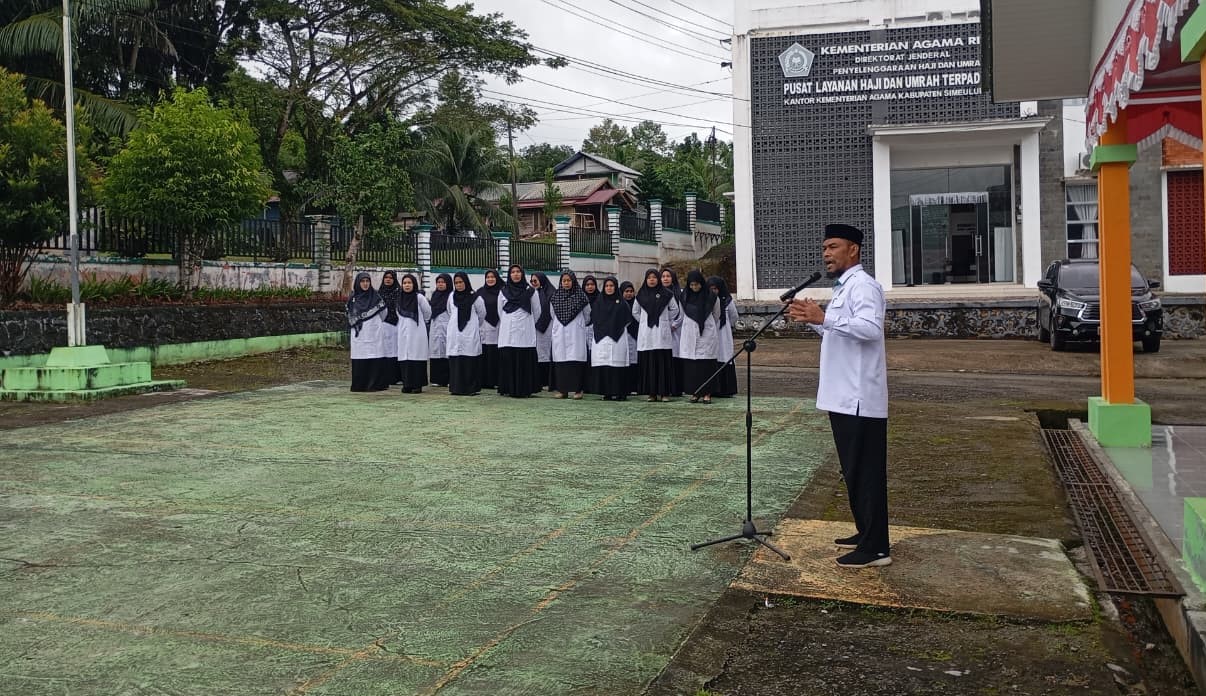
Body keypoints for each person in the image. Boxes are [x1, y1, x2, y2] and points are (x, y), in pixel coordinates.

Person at [787, 223, 891, 569]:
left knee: (866, 472)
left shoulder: (864, 286)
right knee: (852, 470)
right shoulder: (845, 288)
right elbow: (839, 333)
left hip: (860, 397)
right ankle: (865, 531)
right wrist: (813, 320)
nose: (826, 254)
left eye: (833, 247)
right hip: (841, 394)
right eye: (825, 248)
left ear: (853, 249)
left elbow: (871, 329)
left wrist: (825, 317)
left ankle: (876, 548)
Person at [633, 268, 681, 402]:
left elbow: (675, 309)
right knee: (649, 363)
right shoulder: (641, 294)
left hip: (662, 335)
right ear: (646, 279)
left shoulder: (667, 294)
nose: (652, 280)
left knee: (663, 363)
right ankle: (652, 393)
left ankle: (664, 393)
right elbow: (635, 312)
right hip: (647, 334)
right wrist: (644, 321)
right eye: (649, 277)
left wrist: (665, 320)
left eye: (654, 277)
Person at [496, 264, 542, 397]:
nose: (516, 274)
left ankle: (525, 388)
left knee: (523, 359)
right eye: (513, 272)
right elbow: (500, 311)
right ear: (509, 275)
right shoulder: (503, 291)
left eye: (518, 272)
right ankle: (508, 388)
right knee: (509, 357)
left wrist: (527, 323)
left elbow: (537, 311)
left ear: (522, 274)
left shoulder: (531, 291)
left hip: (525, 332)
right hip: (508, 331)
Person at [679, 270, 722, 404]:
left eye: (696, 285)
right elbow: (681, 313)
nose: (694, 288)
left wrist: (704, 324)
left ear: (701, 284)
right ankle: (695, 392)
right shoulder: (684, 296)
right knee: (692, 366)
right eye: (691, 285)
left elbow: (716, 315)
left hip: (706, 334)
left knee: (706, 365)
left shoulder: (712, 297)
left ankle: (707, 393)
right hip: (689, 333)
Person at [548, 270, 591, 399]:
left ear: (573, 281)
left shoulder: (581, 296)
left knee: (576, 360)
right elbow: (552, 314)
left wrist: (579, 324)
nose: (566, 283)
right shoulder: (555, 297)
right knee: (561, 360)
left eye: (568, 280)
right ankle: (563, 390)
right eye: (564, 281)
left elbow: (587, 315)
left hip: (576, 331)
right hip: (560, 330)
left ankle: (578, 390)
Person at [591, 276, 632, 401]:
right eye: (607, 286)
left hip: (617, 337)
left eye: (611, 286)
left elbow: (627, 319)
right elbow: (594, 318)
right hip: (602, 337)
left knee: (617, 364)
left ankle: (620, 392)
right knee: (605, 364)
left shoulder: (622, 303)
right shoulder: (598, 302)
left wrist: (614, 328)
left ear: (615, 287)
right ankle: (606, 392)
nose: (609, 288)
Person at [347, 272, 389, 392]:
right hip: (359, 334)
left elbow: (384, 314)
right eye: (362, 281)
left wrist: (373, 323)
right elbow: (350, 315)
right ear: (358, 283)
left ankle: (375, 384)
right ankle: (360, 385)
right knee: (360, 357)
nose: (365, 284)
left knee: (374, 356)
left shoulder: (376, 297)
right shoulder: (353, 299)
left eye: (367, 281)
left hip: (374, 331)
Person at [446, 272, 485, 396]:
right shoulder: (452, 296)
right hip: (455, 331)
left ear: (466, 282)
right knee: (456, 358)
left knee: (470, 359)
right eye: (456, 283)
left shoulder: (475, 297)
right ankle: (456, 388)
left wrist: (473, 325)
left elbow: (482, 313)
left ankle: (471, 388)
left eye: (461, 282)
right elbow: (449, 311)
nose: (459, 285)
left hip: (470, 331)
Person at [395, 273, 431, 394]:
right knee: (405, 357)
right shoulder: (399, 297)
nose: (407, 285)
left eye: (409, 283)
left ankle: (417, 385)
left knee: (417, 357)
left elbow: (428, 312)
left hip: (417, 332)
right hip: (403, 331)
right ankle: (407, 384)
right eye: (404, 283)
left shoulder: (419, 297)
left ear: (414, 284)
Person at [707, 276, 740, 398]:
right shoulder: (705, 300)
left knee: (724, 356)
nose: (713, 291)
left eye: (715, 288)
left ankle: (726, 389)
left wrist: (726, 326)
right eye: (710, 288)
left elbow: (734, 316)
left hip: (724, 334)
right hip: (710, 333)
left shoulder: (727, 300)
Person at [661, 268, 685, 397]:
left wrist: (673, 325)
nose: (665, 278)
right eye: (663, 276)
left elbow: (681, 312)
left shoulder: (678, 293)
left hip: (675, 330)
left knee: (676, 357)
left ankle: (677, 388)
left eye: (668, 276)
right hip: (662, 330)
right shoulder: (658, 293)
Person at [476, 269, 502, 389]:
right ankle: (483, 380)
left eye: (492, 277)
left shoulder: (503, 291)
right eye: (488, 277)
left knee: (494, 353)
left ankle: (495, 380)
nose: (490, 279)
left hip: (497, 325)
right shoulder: (480, 292)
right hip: (483, 325)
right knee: (483, 352)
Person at [377, 270, 403, 385]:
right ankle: (386, 377)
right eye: (386, 277)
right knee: (385, 350)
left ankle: (398, 377)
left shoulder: (399, 292)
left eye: (391, 278)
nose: (388, 280)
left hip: (397, 324)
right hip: (383, 325)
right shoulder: (379, 294)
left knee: (397, 350)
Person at [428, 273, 453, 388]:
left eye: (443, 282)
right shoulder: (434, 296)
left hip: (447, 326)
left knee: (447, 352)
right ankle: (437, 379)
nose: (440, 284)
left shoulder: (451, 296)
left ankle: (449, 378)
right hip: (435, 326)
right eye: (438, 282)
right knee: (436, 352)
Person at [531, 271, 554, 391]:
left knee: (546, 353)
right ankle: (540, 381)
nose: (533, 283)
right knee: (539, 354)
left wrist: (540, 324)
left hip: (548, 326)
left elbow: (550, 311)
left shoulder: (551, 293)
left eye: (535, 281)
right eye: (532, 281)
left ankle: (547, 381)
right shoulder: (533, 293)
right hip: (535, 327)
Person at [620, 280, 640, 395]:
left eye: (631, 291)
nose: (629, 294)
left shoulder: (637, 304)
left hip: (635, 336)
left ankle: (635, 386)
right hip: (623, 335)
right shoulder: (619, 304)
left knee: (635, 362)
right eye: (626, 291)